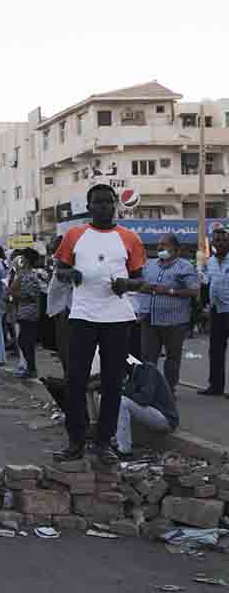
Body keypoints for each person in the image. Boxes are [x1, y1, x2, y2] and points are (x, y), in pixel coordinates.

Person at [52, 183, 146, 466]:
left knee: (112, 382)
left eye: (108, 202)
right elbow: (60, 268)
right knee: (76, 380)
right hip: (82, 316)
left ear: (115, 204)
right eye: (98, 202)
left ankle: (104, 443)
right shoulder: (74, 235)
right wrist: (71, 275)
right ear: (88, 206)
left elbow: (140, 279)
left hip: (117, 318)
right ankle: (76, 441)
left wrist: (125, 284)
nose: (103, 206)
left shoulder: (129, 237)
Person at [137, 233, 198, 393]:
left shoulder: (185, 266)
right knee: (148, 358)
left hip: (174, 321)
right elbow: (140, 284)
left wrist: (169, 290)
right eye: (159, 245)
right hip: (149, 319)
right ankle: (148, 390)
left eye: (164, 245)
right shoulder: (149, 265)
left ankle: (169, 390)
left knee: (172, 358)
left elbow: (194, 291)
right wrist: (142, 287)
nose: (160, 247)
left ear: (176, 249)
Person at [115, 356, 179, 457]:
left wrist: (124, 390)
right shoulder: (131, 378)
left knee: (122, 401)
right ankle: (116, 441)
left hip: (166, 419)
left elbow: (144, 399)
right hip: (154, 415)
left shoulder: (148, 370)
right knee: (112, 399)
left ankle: (124, 449)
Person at [201, 226, 229, 396]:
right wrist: (205, 305)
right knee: (216, 350)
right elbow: (207, 284)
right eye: (217, 240)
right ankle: (216, 387)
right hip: (216, 311)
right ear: (213, 242)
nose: (220, 243)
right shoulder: (209, 262)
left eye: (224, 240)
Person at [10, 249, 45, 378]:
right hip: (25, 311)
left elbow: (28, 295)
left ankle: (31, 369)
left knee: (25, 341)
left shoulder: (29, 275)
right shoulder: (25, 274)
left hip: (29, 311)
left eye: (23, 258)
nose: (21, 260)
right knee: (25, 340)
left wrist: (13, 293)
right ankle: (30, 368)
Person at [45, 236, 73, 379]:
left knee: (66, 349)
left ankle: (70, 379)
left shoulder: (68, 266)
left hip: (65, 311)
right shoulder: (60, 265)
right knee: (62, 349)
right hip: (59, 311)